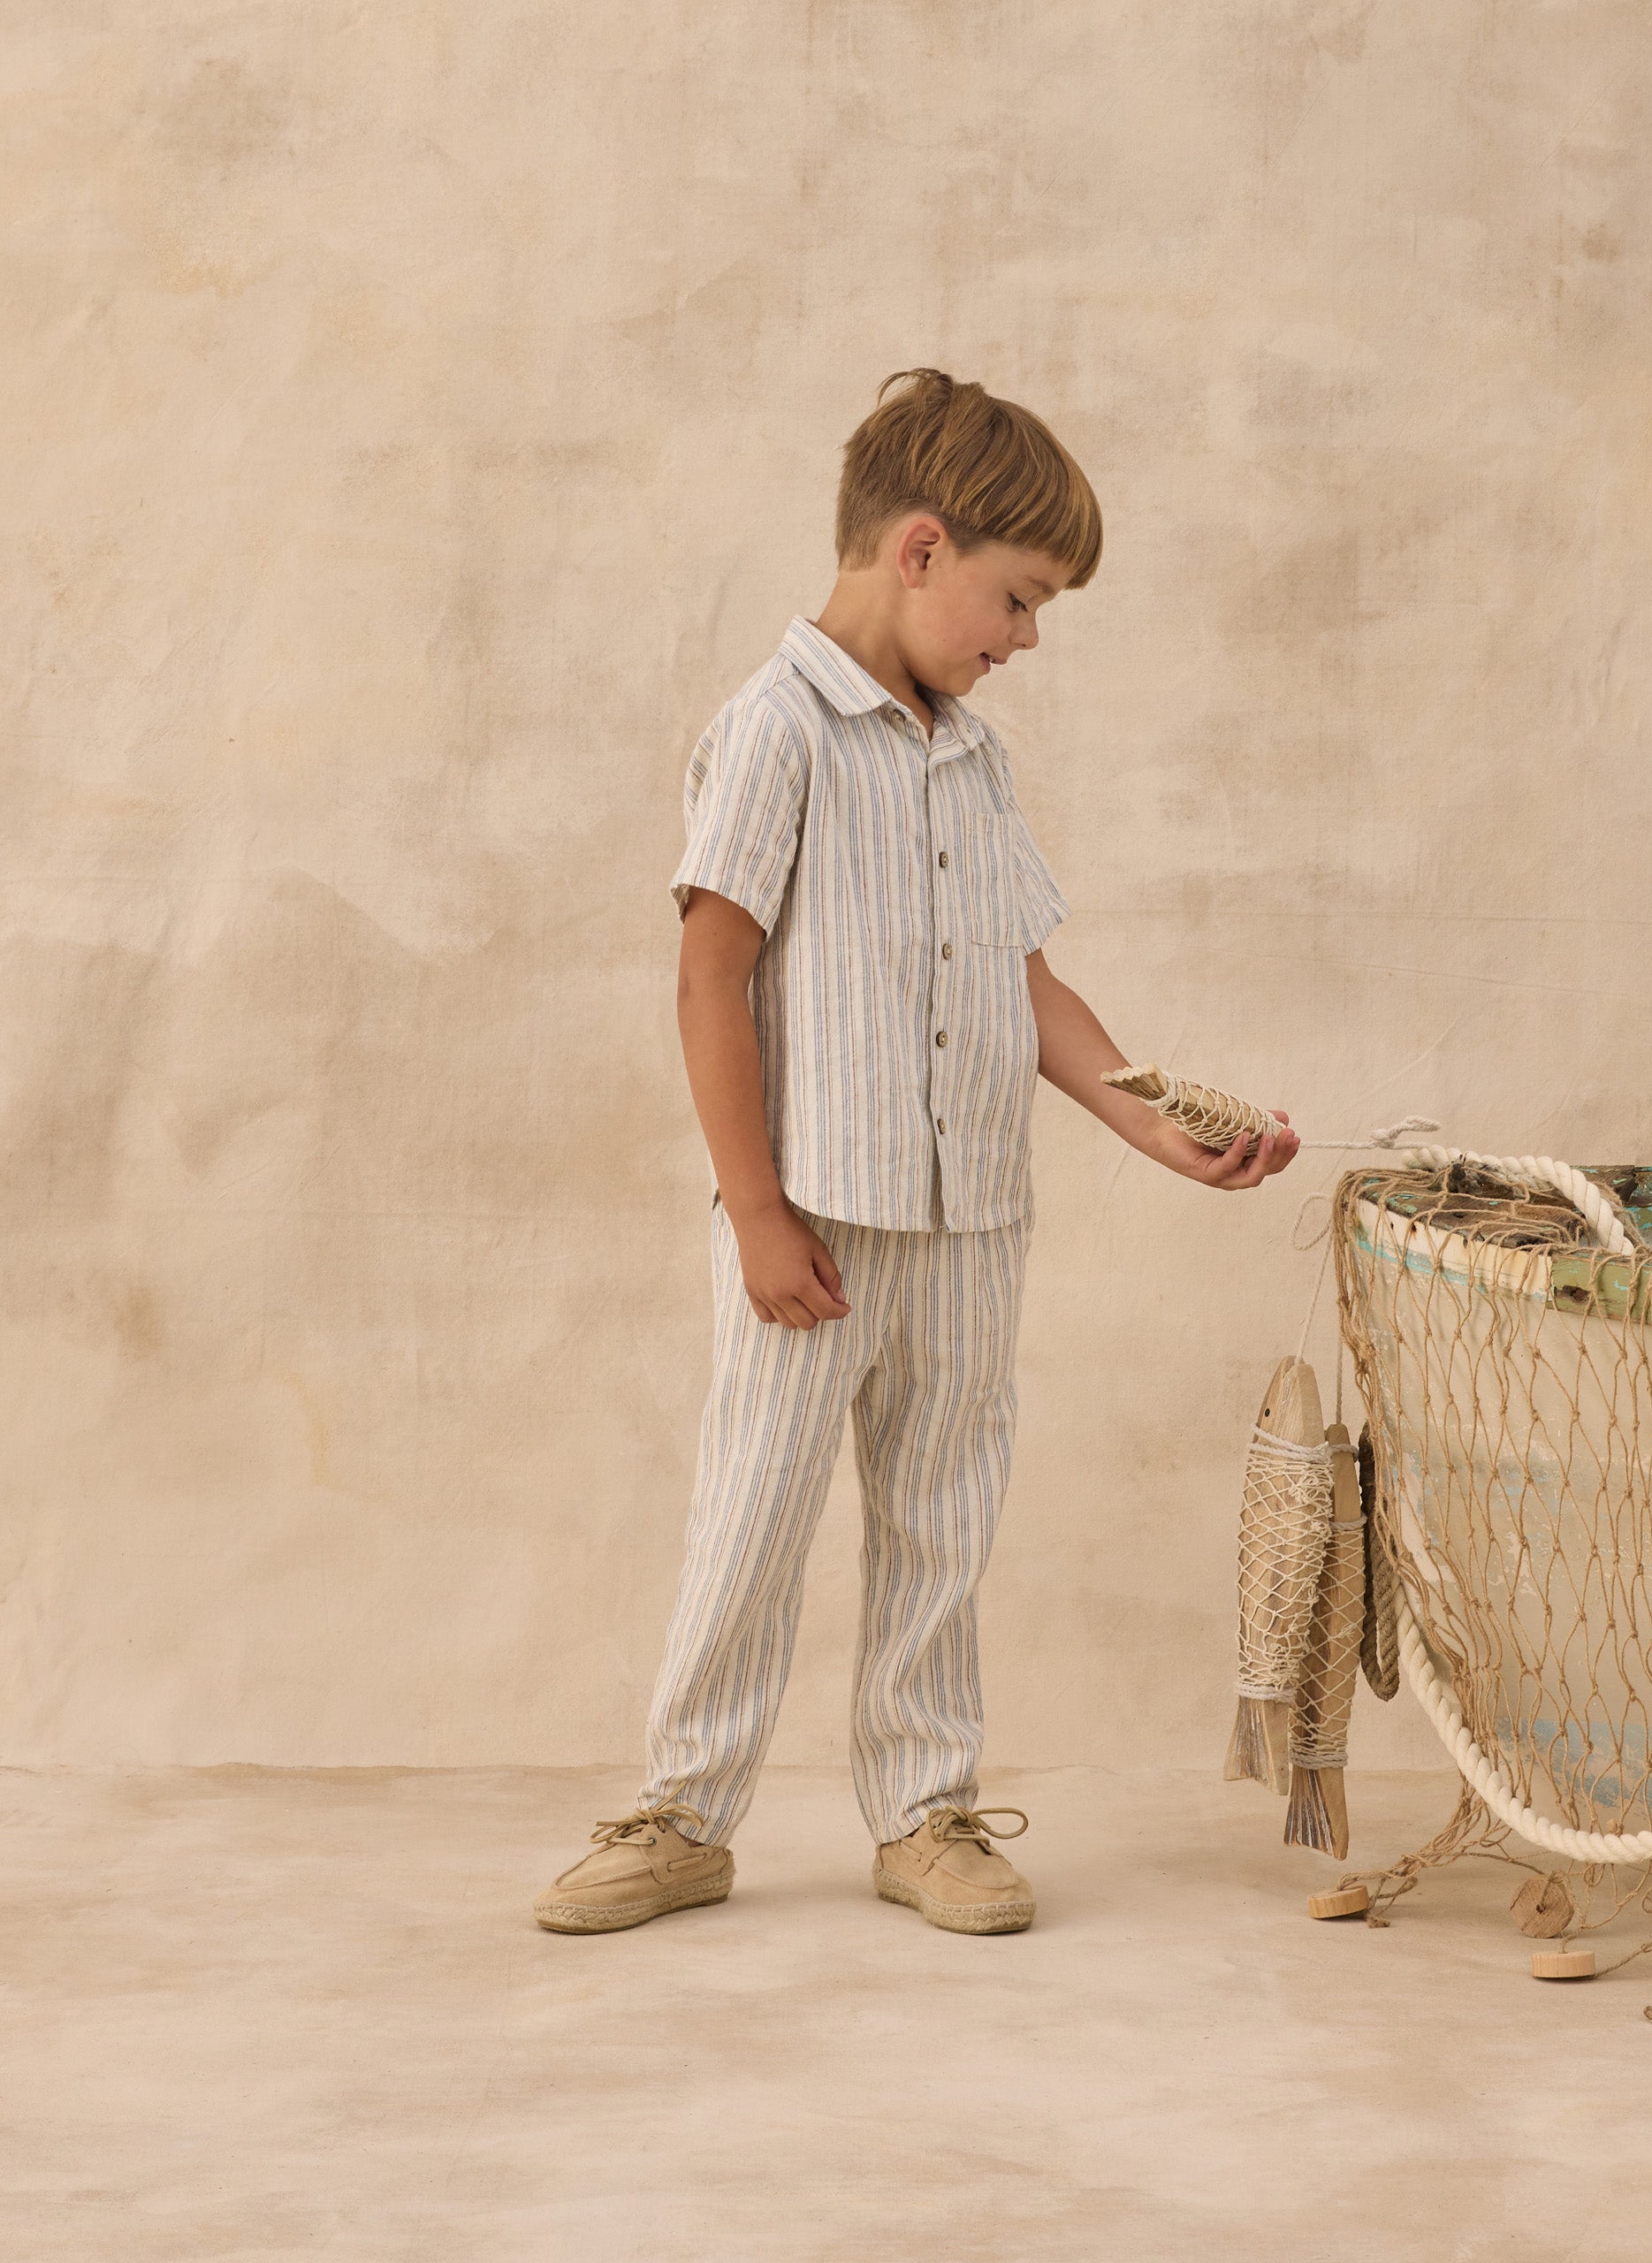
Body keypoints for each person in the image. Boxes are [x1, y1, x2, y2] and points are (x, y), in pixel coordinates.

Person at [533, 369, 1298, 1939]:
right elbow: (710, 975)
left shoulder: (975, 759)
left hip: (971, 1223)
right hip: (817, 1217)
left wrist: (1166, 1127)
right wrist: (754, 1210)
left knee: (944, 1515)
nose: (1026, 640)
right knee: (755, 1509)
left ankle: (927, 1807)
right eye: (1020, 601)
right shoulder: (774, 732)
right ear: (923, 549)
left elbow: (1026, 983)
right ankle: (686, 1808)